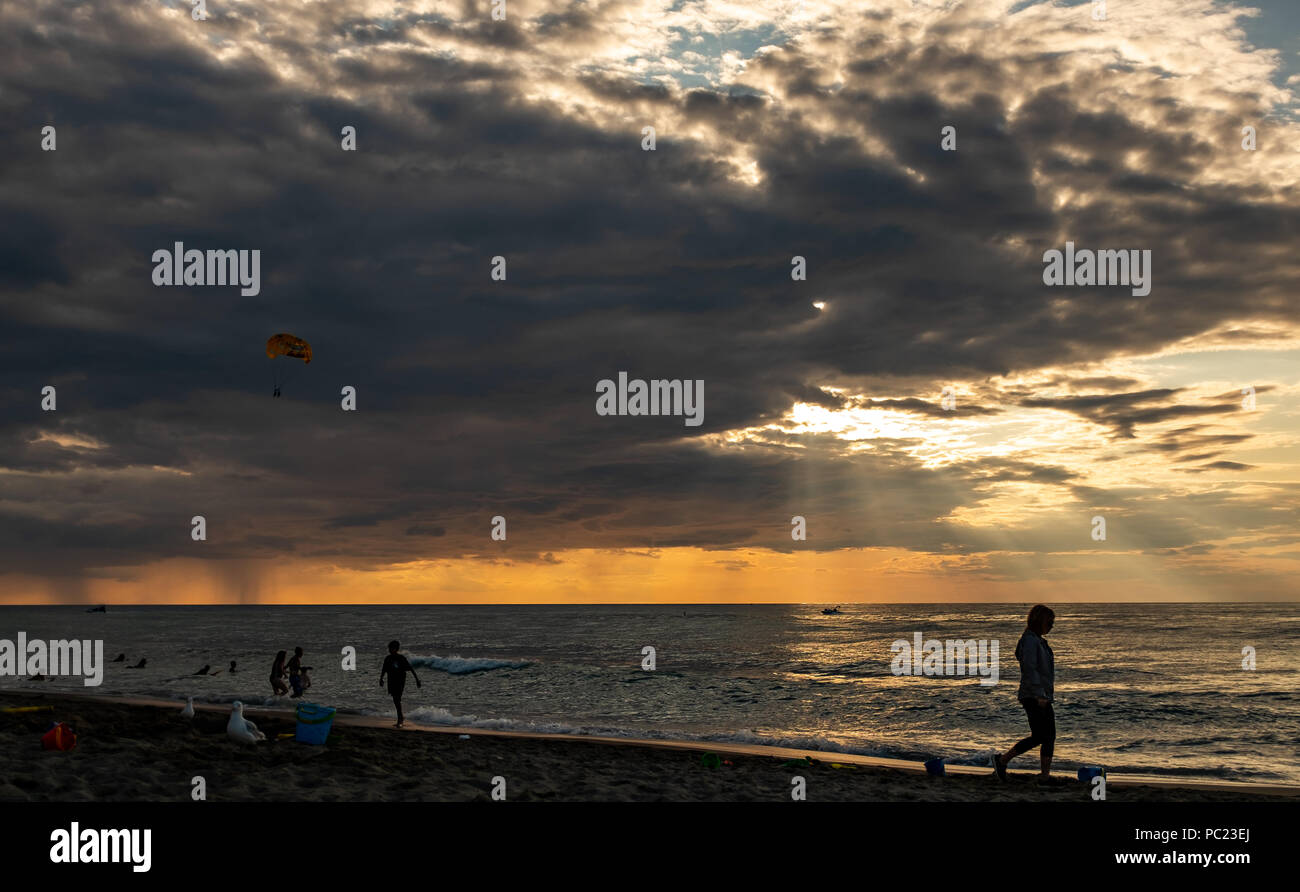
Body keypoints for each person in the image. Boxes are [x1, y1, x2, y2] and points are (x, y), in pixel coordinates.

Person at [994, 605, 1063, 786]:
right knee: (1041, 736)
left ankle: (1044, 776)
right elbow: (1029, 668)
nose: (1052, 625)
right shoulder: (1030, 641)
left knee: (1048, 736)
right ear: (1039, 621)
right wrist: (1040, 694)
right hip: (1033, 695)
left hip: (1041, 695)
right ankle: (1001, 761)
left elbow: (1021, 657)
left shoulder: (1038, 641)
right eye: (1050, 622)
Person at [380, 640, 421, 728]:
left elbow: (411, 668)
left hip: (400, 680)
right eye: (389, 648)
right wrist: (381, 679)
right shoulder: (388, 658)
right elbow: (384, 669)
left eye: (392, 648)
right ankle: (401, 717)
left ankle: (400, 719)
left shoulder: (401, 658)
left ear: (396, 649)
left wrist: (417, 680)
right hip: (391, 680)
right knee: (395, 699)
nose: (390, 650)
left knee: (397, 698)